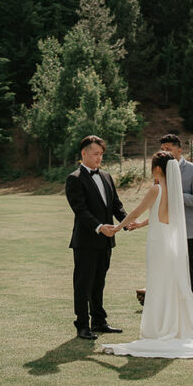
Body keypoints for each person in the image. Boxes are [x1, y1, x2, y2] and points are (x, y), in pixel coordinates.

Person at [101, 152, 193, 359]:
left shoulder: (155, 189)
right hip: (168, 243)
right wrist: (141, 224)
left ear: (157, 169)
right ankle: (169, 324)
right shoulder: (173, 190)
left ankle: (159, 327)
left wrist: (119, 227)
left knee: (159, 283)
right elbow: (160, 215)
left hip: (157, 244)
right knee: (168, 283)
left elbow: (136, 211)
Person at [66, 135, 128, 340]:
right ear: (84, 154)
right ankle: (82, 325)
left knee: (99, 282)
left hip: (105, 241)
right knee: (83, 283)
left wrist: (126, 221)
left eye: (101, 154)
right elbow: (80, 210)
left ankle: (99, 321)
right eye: (95, 154)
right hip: (85, 241)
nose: (99, 158)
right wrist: (100, 227)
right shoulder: (74, 179)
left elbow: (116, 205)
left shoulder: (107, 176)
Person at [158, 133, 193, 305]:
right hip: (167, 228)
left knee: (190, 271)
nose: (165, 153)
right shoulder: (159, 171)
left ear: (179, 150)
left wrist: (177, 195)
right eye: (162, 150)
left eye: (168, 149)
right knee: (169, 270)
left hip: (189, 230)